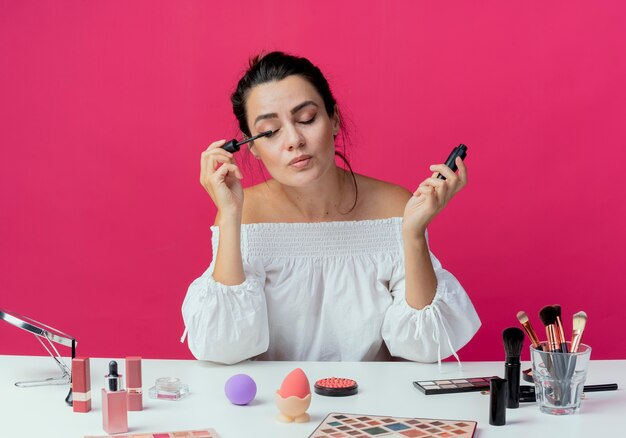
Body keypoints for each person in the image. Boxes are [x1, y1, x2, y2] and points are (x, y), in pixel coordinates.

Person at [181, 51, 480, 365]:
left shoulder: (393, 206)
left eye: (307, 119)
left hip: (375, 407)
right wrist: (230, 216)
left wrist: (414, 235)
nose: (294, 140)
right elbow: (225, 348)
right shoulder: (246, 213)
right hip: (277, 407)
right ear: (251, 146)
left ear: (334, 119)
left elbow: (425, 349)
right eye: (270, 131)